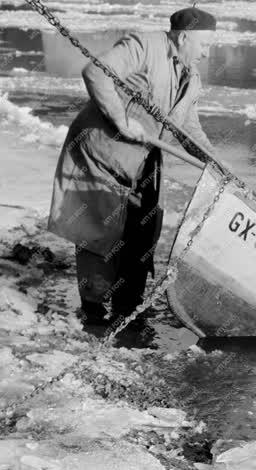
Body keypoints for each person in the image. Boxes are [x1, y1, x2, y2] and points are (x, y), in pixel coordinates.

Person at [48, 6, 217, 328]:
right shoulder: (144, 45)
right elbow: (95, 72)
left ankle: (129, 308)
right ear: (184, 37)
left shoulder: (190, 76)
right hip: (102, 153)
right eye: (205, 45)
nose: (207, 54)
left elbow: (188, 127)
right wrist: (122, 120)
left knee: (143, 230)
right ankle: (94, 314)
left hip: (144, 157)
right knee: (100, 232)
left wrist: (216, 164)